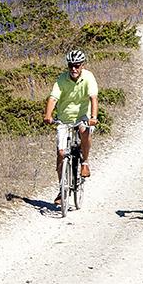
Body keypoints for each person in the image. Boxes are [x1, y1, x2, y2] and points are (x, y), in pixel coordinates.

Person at [44, 49, 99, 198]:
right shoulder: (61, 79)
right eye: (71, 66)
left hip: (83, 116)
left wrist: (93, 117)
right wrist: (48, 115)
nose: (73, 69)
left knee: (84, 131)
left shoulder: (88, 77)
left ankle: (85, 162)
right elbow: (53, 98)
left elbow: (93, 98)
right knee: (61, 153)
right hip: (64, 118)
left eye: (77, 65)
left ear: (82, 65)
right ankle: (62, 190)